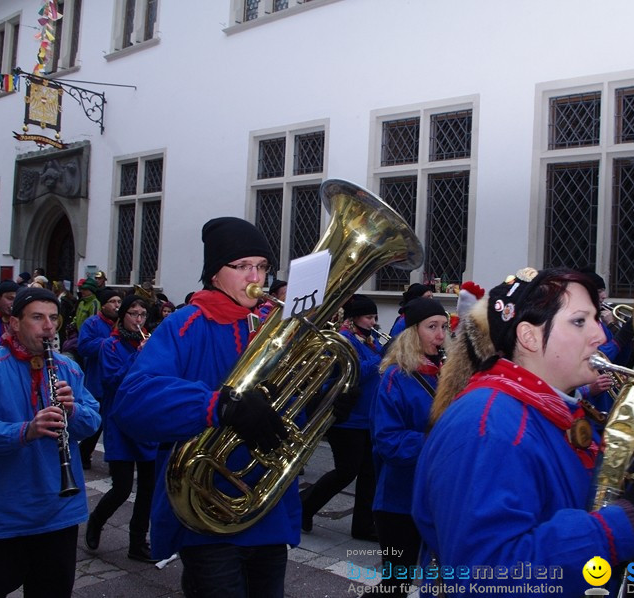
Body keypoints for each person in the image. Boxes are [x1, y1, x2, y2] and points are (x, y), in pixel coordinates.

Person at [412, 268, 634, 596]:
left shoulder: (546, 409)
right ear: (528, 337)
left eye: (595, 319)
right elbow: (484, 575)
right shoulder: (488, 428)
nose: (600, 336)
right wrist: (613, 534)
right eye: (579, 321)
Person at [112, 217, 295, 598]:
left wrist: (329, 394)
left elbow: (285, 413)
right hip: (206, 509)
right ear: (215, 274)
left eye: (261, 266)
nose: (256, 276)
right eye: (243, 266)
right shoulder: (185, 323)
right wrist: (217, 405)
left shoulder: (269, 327)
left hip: (267, 506)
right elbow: (133, 400)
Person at [0, 286, 101, 597]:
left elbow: (92, 421)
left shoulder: (68, 367)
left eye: (53, 318)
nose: (48, 326)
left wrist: (73, 411)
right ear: (14, 324)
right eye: (37, 317)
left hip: (57, 511)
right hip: (0, 514)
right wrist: (26, 431)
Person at [371, 296, 448, 595]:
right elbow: (388, 442)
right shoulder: (394, 377)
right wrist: (435, 441)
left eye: (443, 326)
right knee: (396, 584)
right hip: (399, 499)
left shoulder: (445, 374)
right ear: (412, 332)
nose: (441, 335)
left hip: (435, 495)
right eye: (432, 327)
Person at [301, 294, 381, 540]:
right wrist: (382, 360)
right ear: (354, 318)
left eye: (375, 317)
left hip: (368, 417)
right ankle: (304, 506)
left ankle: (363, 525)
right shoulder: (344, 341)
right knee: (347, 471)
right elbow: (353, 372)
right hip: (347, 418)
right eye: (369, 317)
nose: (374, 322)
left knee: (369, 473)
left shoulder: (371, 340)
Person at [85, 295, 157, 563]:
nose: (138, 320)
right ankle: (96, 520)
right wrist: (137, 358)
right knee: (122, 487)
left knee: (148, 487)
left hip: (146, 420)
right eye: (133, 314)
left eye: (142, 315)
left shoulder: (150, 342)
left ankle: (138, 543)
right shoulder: (110, 346)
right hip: (119, 421)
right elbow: (112, 381)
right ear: (122, 315)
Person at [77, 289, 121, 469]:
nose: (117, 305)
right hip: (97, 380)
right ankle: (83, 455)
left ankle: (116, 463)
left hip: (117, 381)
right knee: (96, 423)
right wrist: (109, 341)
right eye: (112, 302)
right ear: (103, 305)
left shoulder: (123, 322)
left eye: (119, 302)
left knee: (114, 424)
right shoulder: (92, 323)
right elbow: (84, 347)